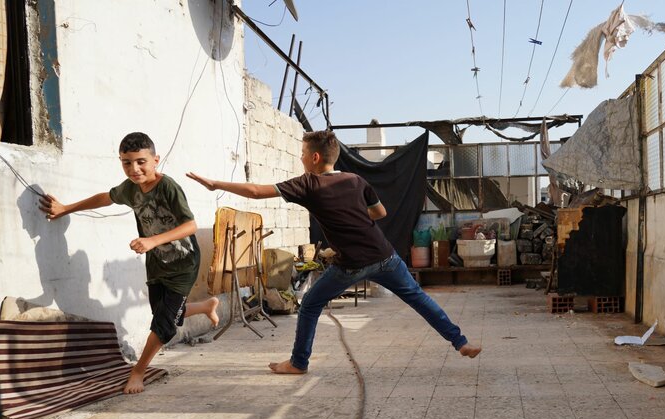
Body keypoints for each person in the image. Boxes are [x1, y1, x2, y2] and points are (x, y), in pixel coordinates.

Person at [186, 130, 481, 374]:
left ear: (315, 158)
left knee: (311, 303)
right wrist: (353, 218)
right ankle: (460, 342)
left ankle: (297, 363)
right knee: (418, 298)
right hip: (385, 256)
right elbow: (380, 212)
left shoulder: (308, 184)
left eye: (302, 154)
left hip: (351, 264)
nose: (301, 159)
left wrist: (214, 184)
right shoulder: (356, 180)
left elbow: (255, 191)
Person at [39, 132, 219, 394]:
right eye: (126, 162)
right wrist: (66, 208)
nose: (134, 169)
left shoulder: (168, 187)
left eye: (141, 161)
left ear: (155, 160)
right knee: (164, 313)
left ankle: (138, 372)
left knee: (163, 325)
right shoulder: (130, 189)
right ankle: (205, 306)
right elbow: (105, 197)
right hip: (157, 264)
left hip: (183, 263)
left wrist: (152, 241)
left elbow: (190, 225)